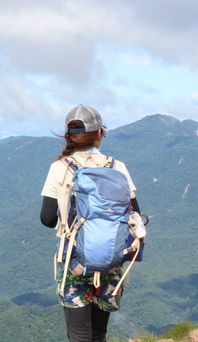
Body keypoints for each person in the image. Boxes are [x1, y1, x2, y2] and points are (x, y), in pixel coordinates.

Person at [40, 104, 141, 342]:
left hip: (73, 260)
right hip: (112, 258)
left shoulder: (59, 168)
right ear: (99, 134)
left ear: (69, 137)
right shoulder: (118, 167)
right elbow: (134, 214)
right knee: (98, 334)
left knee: (78, 335)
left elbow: (47, 219)